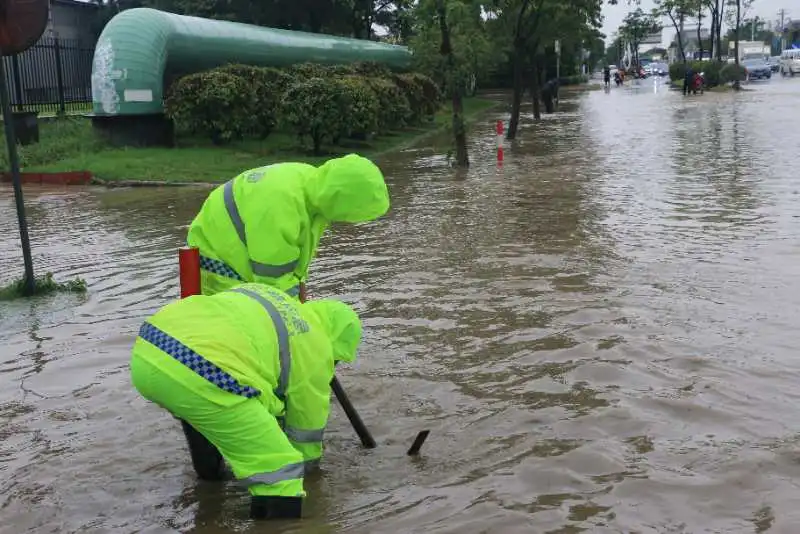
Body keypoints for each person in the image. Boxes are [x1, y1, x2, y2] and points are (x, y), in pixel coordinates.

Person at [130, 282, 363, 520]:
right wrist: (311, 475)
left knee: (207, 411)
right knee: (281, 469)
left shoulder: (274, 298)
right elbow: (306, 430)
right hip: (203, 369)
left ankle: (210, 483)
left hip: (150, 348)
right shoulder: (316, 345)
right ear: (336, 342)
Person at [187, 154, 390, 299]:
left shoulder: (315, 189)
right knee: (249, 325)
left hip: (238, 246)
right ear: (344, 201)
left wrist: (302, 299)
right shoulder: (282, 206)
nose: (351, 223)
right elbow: (272, 285)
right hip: (221, 260)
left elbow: (295, 265)